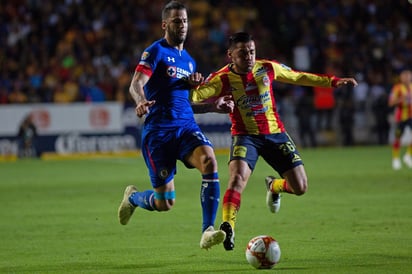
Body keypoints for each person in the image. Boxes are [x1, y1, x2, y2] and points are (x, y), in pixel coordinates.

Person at [191, 32, 358, 251]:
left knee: (301, 187)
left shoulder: (268, 68)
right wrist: (191, 85)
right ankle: (227, 226)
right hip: (245, 136)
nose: (249, 56)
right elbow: (194, 97)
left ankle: (274, 186)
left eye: (252, 51)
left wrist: (333, 82)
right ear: (230, 55)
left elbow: (298, 77)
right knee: (237, 178)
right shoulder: (222, 78)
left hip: (275, 134)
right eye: (242, 53)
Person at [117, 1, 232, 250]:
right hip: (158, 133)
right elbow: (136, 83)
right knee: (165, 202)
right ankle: (134, 198)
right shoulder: (156, 51)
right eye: (177, 21)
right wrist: (140, 101)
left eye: (185, 21)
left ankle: (207, 231)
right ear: (164, 24)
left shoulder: (189, 62)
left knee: (210, 160)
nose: (182, 25)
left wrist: (212, 106)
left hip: (185, 128)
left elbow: (186, 102)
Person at [388, 69, 412, 170]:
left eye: (408, 76)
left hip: (411, 116)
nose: (406, 78)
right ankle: (395, 159)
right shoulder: (397, 88)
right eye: (404, 76)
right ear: (401, 78)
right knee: (398, 138)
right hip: (401, 117)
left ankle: (408, 156)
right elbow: (390, 103)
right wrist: (402, 99)